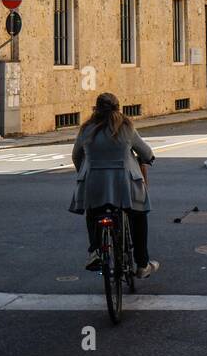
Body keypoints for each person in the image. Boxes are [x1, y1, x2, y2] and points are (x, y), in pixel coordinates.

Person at [68, 92, 159, 278]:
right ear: (118, 108)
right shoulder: (126, 127)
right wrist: (148, 158)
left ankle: (94, 250)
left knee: (93, 211)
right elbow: (145, 152)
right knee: (138, 216)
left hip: (95, 183)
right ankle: (142, 264)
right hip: (124, 185)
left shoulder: (86, 129)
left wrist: (83, 172)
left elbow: (76, 155)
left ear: (96, 109)